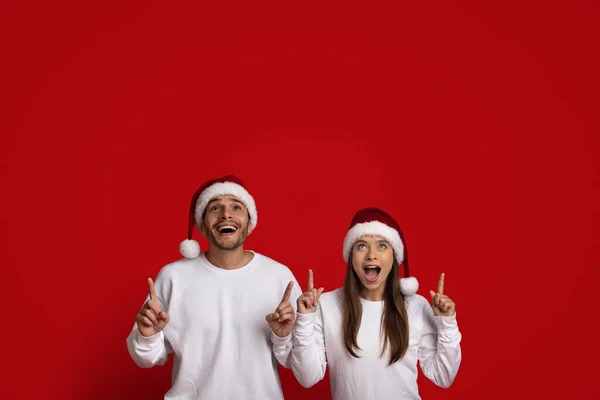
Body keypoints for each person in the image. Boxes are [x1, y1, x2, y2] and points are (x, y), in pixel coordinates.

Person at [126, 175, 302, 399]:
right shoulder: (173, 276)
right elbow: (147, 358)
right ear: (202, 224)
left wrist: (284, 337)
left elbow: (298, 361)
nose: (226, 214)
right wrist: (148, 337)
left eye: (236, 207)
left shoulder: (278, 276)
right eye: (215, 207)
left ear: (250, 223)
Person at [290, 207, 462, 400]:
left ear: (394, 257)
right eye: (362, 246)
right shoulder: (326, 305)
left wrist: (447, 323)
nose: (372, 255)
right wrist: (304, 320)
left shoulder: (416, 306)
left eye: (382, 246)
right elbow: (307, 378)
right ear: (351, 256)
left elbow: (443, 376)